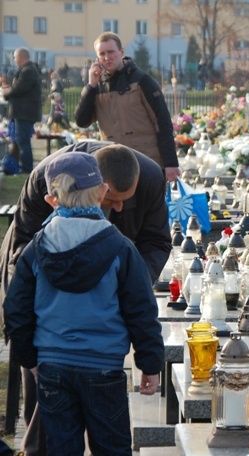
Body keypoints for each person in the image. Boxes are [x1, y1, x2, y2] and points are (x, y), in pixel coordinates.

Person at [0, 141, 171, 456]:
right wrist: (150, 364)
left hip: (52, 365)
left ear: (55, 200)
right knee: (112, 446)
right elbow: (142, 310)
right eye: (113, 200)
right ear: (100, 192)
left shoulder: (37, 250)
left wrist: (30, 358)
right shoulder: (121, 249)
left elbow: (18, 310)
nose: (119, 209)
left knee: (61, 447)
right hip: (103, 366)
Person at [74, 32, 180, 182]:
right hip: (113, 164)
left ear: (121, 52)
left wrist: (170, 163)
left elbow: (162, 122)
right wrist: (91, 86)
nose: (107, 57)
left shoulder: (142, 80)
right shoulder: (97, 87)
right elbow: (81, 121)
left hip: (147, 161)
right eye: (102, 53)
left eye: (111, 52)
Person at [1, 48, 42, 173]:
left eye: (15, 56)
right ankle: (21, 167)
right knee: (20, 140)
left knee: (22, 141)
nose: (14, 59)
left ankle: (27, 169)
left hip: (24, 112)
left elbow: (18, 88)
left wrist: (5, 92)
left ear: (21, 57)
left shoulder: (28, 70)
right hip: (22, 111)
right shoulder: (27, 70)